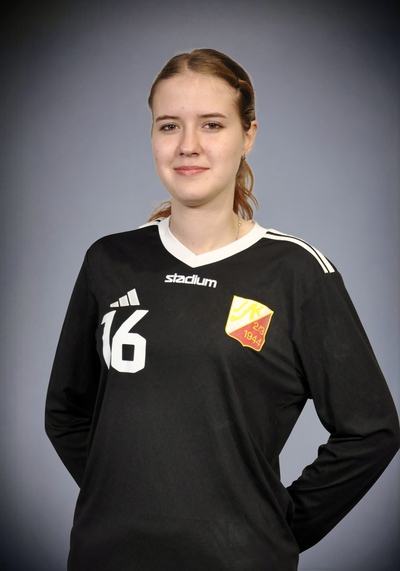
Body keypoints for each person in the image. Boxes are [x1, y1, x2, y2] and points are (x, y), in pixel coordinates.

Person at [45, 48, 400, 571]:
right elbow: (65, 413)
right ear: (152, 135)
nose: (187, 145)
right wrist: (116, 498)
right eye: (169, 125)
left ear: (248, 135)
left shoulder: (296, 273)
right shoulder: (109, 261)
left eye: (212, 124)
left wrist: (275, 526)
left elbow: (371, 429)